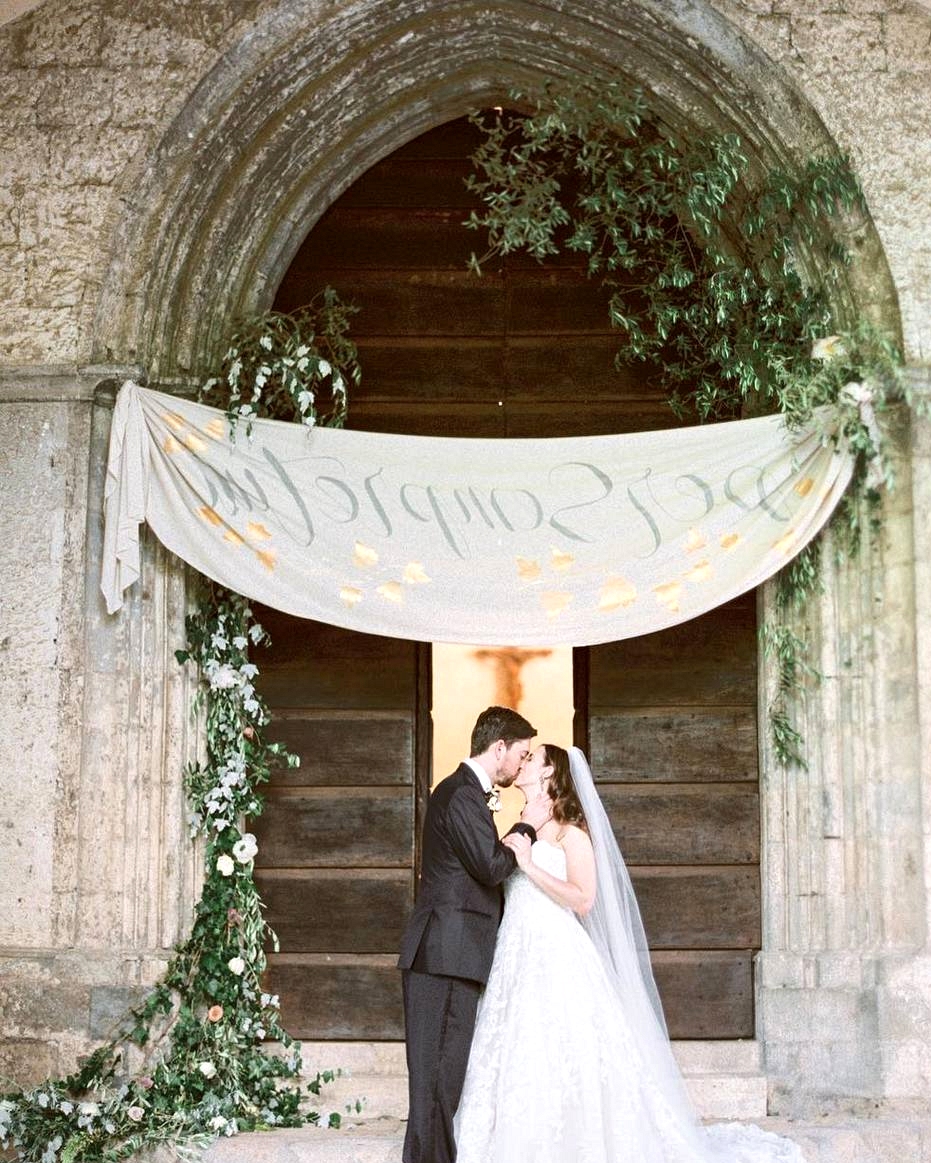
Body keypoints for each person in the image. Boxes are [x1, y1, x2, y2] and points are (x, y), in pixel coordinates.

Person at [454, 743, 808, 1163]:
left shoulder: (572, 833)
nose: (523, 762)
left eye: (533, 759)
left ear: (551, 774)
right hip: (516, 953)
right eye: (524, 756)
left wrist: (530, 867)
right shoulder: (519, 826)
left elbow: (583, 899)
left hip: (556, 952)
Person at [397, 706, 551, 1163]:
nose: (522, 765)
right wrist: (527, 827)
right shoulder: (461, 794)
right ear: (498, 747)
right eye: (520, 755)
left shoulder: (465, 794)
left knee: (443, 1084)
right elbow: (490, 866)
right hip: (443, 954)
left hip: (455, 955)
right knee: (434, 1084)